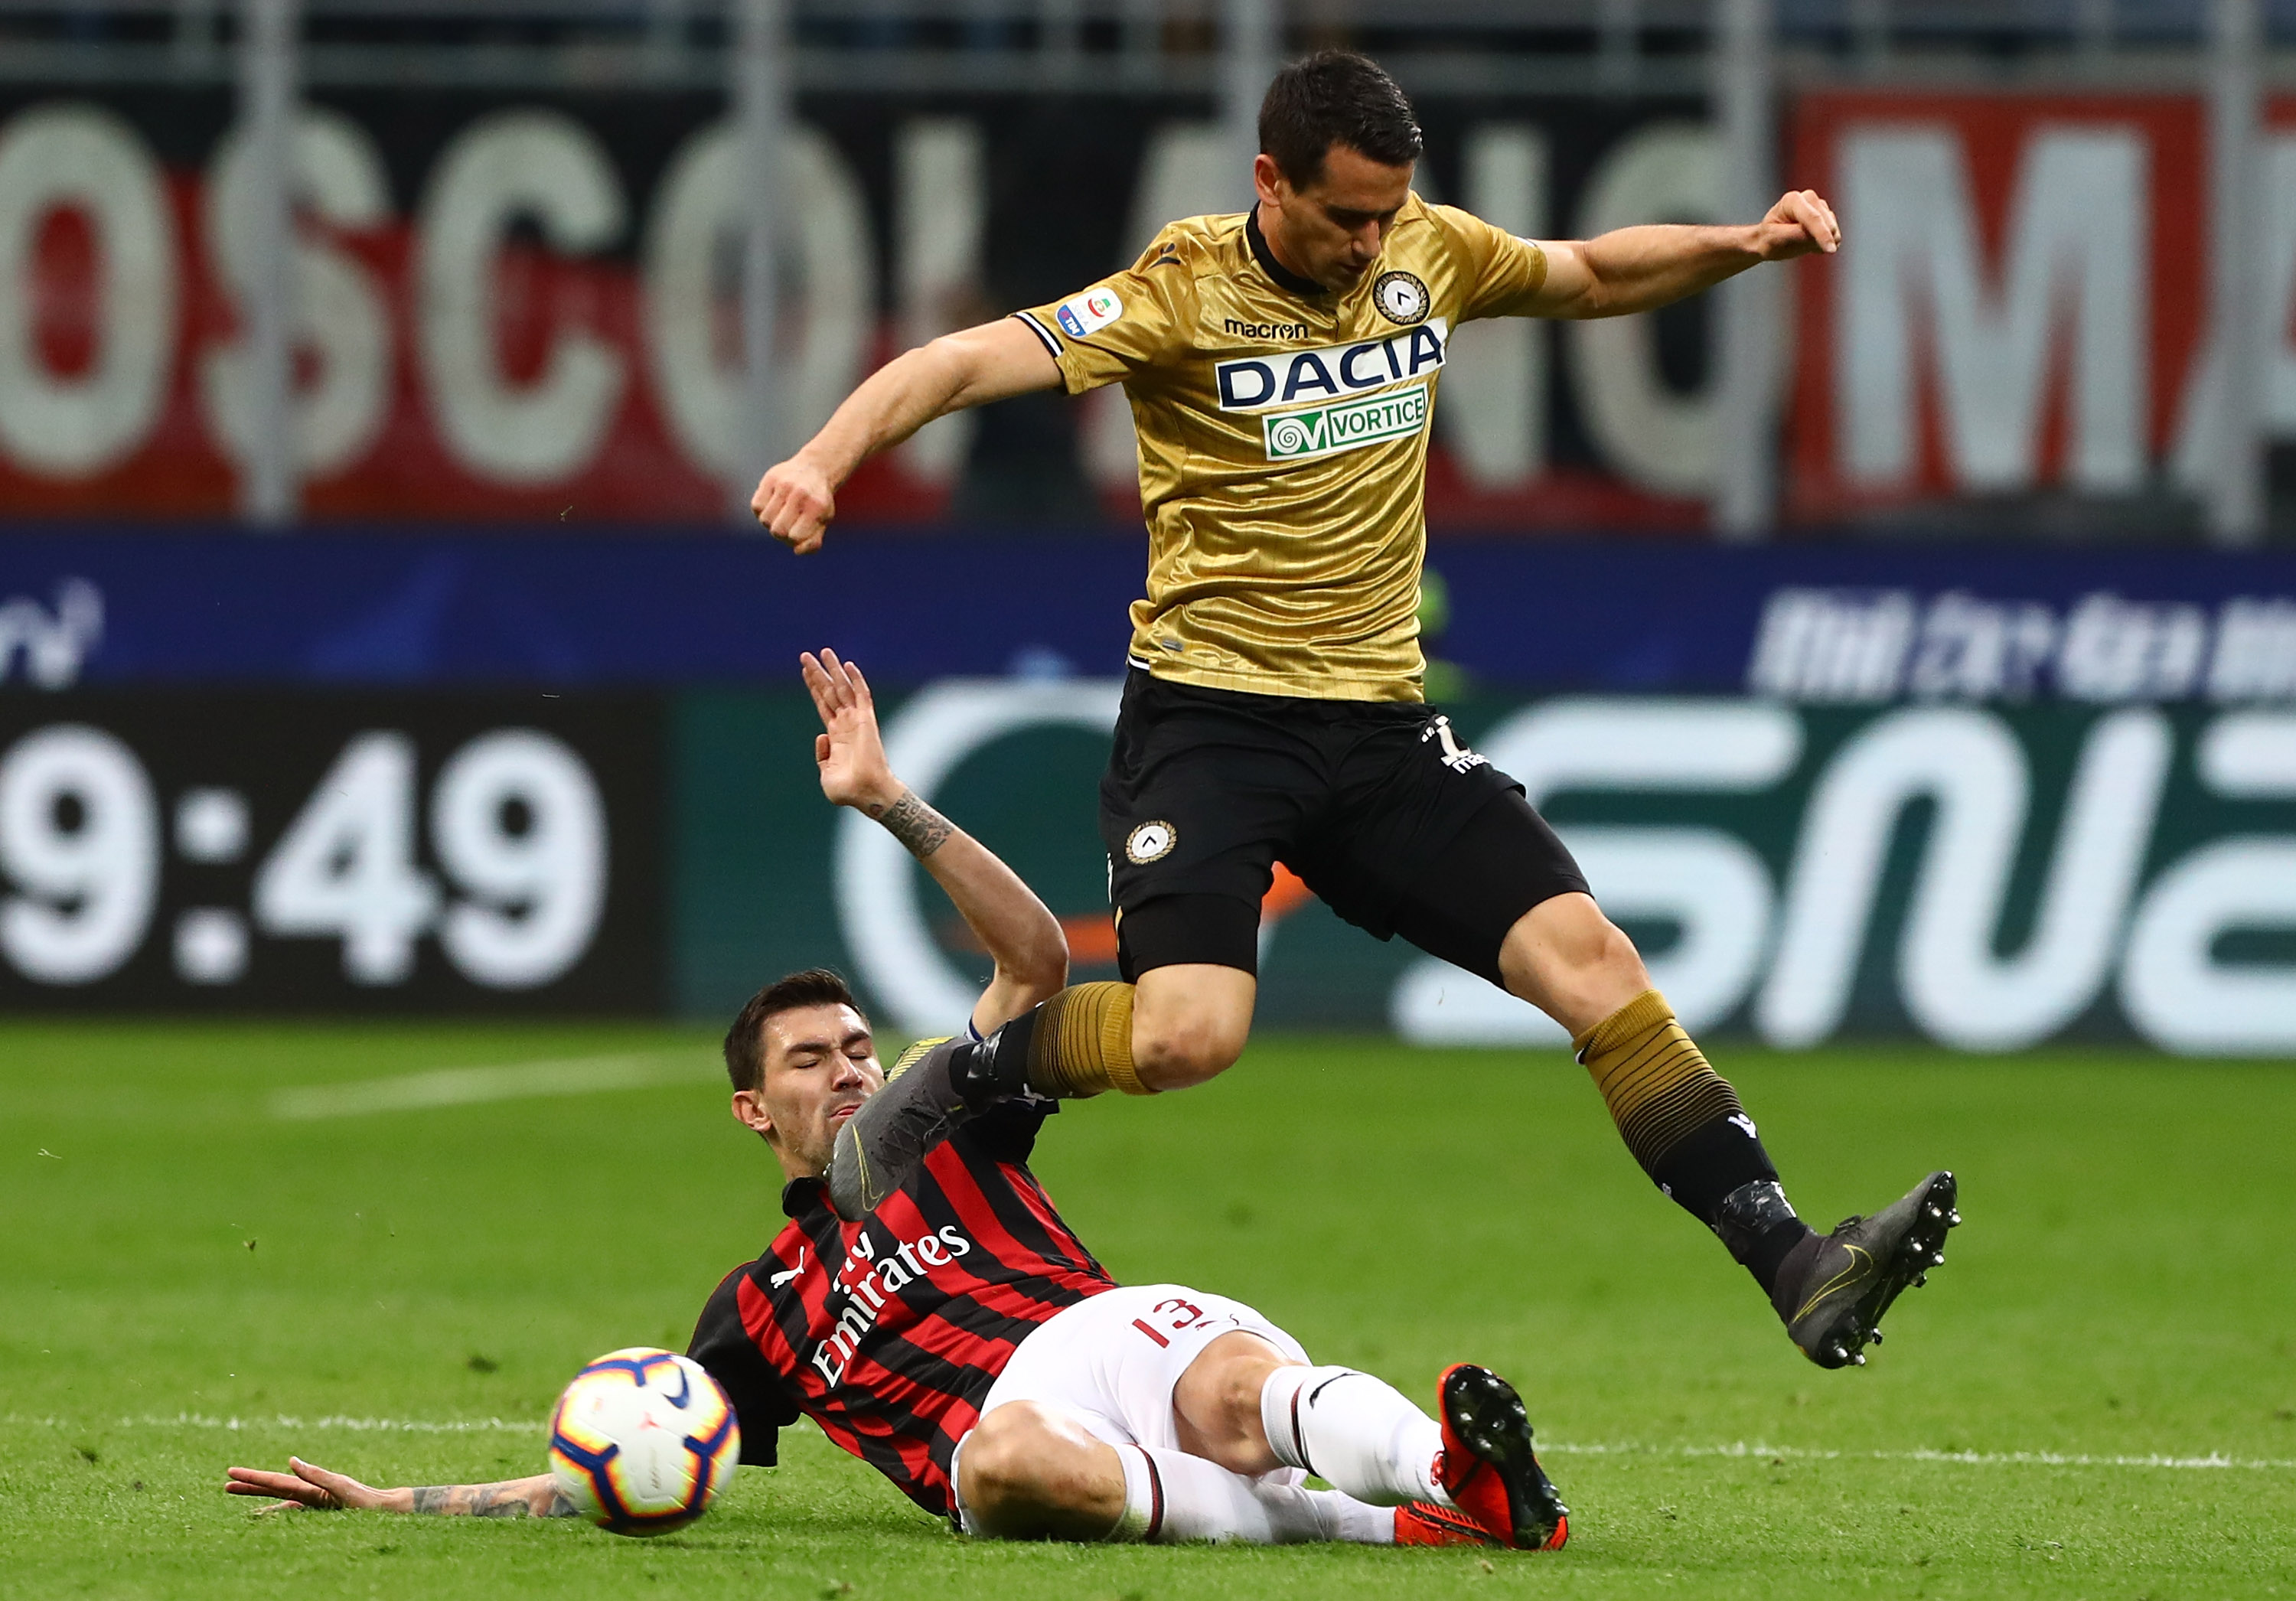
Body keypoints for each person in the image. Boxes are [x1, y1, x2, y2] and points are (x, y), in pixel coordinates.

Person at [748, 49, 1956, 1371]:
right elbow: (966, 360)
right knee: (1188, 1035)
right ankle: (972, 1072)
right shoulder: (1180, 290)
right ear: (1271, 181)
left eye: (1390, 212)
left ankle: (1796, 1265)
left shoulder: (1422, 253)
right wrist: (822, 459)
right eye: (1346, 216)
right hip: (1209, 726)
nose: (1374, 239)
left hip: (1379, 735)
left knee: (1595, 967)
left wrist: (1749, 242)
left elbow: (1596, 274)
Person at [223, 649, 1566, 1552]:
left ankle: (1470, 1484)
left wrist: (890, 803)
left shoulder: (942, 1117)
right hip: (1007, 1439)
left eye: (856, 1045)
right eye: (811, 1061)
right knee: (1010, 1467)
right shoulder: (757, 1312)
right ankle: (1394, 1525)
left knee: (1234, 1384)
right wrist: (396, 1501)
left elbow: (1036, 962)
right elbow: (629, 1455)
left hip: (1098, 1334)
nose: (852, 1068)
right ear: (755, 1113)